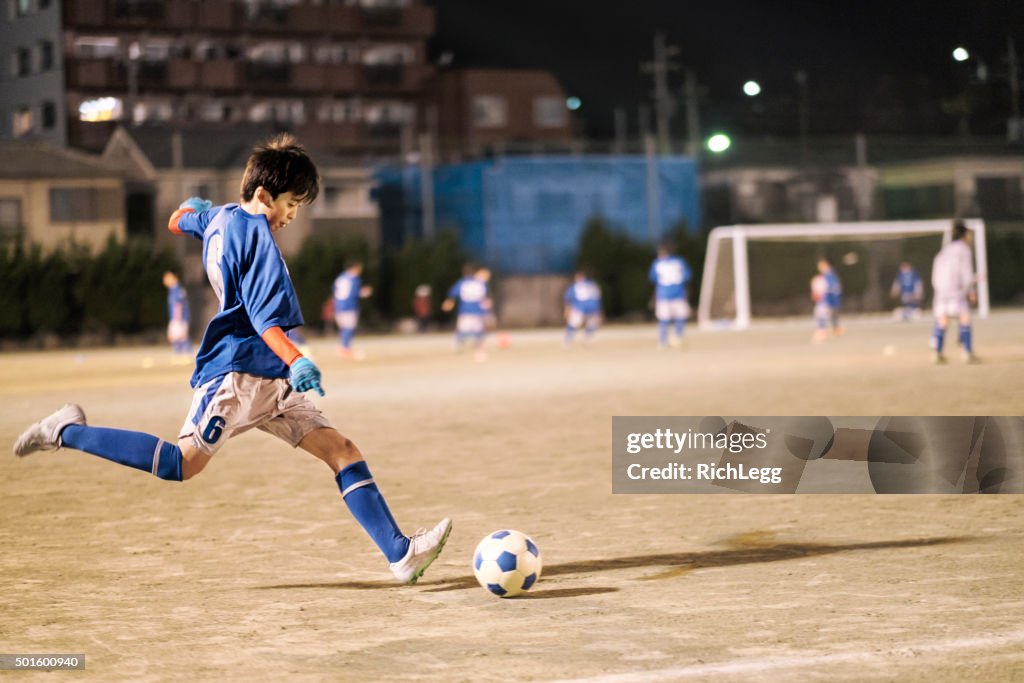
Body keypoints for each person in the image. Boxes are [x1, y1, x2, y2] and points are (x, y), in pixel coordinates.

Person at [12, 135, 451, 585]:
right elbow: (266, 322)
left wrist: (193, 208)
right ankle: (65, 429)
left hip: (271, 382)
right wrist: (297, 360)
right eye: (290, 205)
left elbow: (177, 219)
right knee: (180, 464)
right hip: (237, 376)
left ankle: (400, 555)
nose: (291, 216)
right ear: (263, 196)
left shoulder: (219, 217)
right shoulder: (259, 240)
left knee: (341, 451)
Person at [930, 220, 978, 364]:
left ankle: (937, 352)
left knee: (943, 319)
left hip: (941, 290)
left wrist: (938, 288)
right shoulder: (963, 250)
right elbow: (966, 273)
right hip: (956, 289)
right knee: (965, 317)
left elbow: (936, 269)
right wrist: (971, 290)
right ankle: (967, 352)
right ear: (964, 234)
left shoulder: (945, 250)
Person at [442, 264, 491, 361]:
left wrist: (449, 300)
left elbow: (453, 292)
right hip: (477, 311)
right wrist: (487, 311)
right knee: (478, 330)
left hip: (465, 310)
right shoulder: (481, 283)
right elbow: (484, 299)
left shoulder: (463, 282)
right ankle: (479, 348)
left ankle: (457, 344)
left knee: (462, 329)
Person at [649, 244, 691, 349]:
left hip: (664, 295)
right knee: (680, 317)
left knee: (664, 319)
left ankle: (663, 341)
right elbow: (687, 277)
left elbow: (653, 279)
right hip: (679, 293)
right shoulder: (680, 262)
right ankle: (678, 338)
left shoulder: (657, 263)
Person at [332, 261, 372, 359]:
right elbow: (354, 293)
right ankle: (345, 348)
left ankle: (344, 347)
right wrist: (364, 292)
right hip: (349, 306)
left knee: (344, 328)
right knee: (349, 328)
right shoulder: (354, 279)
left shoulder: (340, 277)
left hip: (338, 306)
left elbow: (335, 290)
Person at [563, 271, 602, 347]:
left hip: (579, 307)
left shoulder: (574, 286)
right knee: (592, 324)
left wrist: (567, 309)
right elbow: (597, 298)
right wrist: (598, 310)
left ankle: (567, 341)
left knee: (572, 324)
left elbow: (568, 298)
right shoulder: (593, 285)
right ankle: (587, 339)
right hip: (592, 307)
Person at [811, 258, 843, 342]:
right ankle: (835, 329)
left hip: (828, 299)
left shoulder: (829, 276)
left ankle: (823, 331)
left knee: (822, 313)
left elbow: (831, 288)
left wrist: (821, 292)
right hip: (830, 299)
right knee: (830, 314)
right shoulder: (829, 275)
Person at [163, 271, 192, 358]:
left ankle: (187, 353)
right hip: (176, 317)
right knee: (176, 337)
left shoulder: (177, 290)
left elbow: (179, 305)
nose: (165, 282)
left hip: (179, 317)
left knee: (180, 336)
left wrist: (178, 318)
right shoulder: (172, 290)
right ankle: (180, 354)